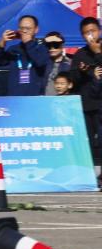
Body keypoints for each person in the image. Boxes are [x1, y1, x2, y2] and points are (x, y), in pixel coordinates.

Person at [68, 16, 102, 177]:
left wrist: (98, 53)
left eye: (93, 31)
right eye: (86, 33)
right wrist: (82, 72)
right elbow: (72, 79)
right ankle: (92, 171)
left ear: (99, 31)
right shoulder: (80, 54)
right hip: (87, 105)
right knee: (88, 139)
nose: (90, 35)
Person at [0, 14, 50, 97]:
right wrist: (2, 43)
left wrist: (28, 43)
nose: (24, 31)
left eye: (28, 29)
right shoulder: (14, 49)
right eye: (22, 28)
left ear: (36, 30)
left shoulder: (42, 47)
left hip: (35, 97)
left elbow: (40, 62)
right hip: (15, 97)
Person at [43, 30, 73, 96]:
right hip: (44, 100)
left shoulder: (70, 63)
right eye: (49, 45)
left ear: (62, 46)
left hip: (64, 100)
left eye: (56, 45)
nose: (52, 48)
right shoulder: (42, 64)